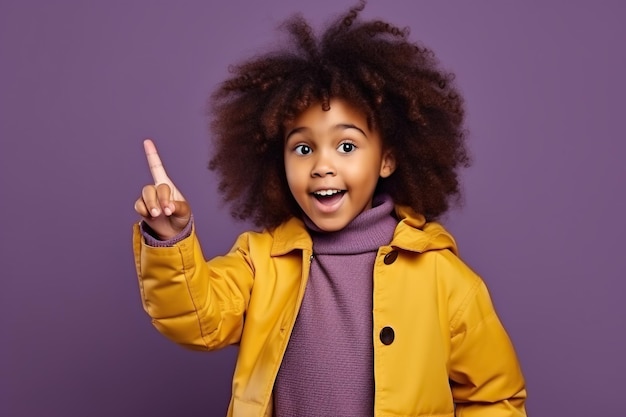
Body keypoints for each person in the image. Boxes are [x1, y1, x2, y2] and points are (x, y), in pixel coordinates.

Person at [132, 2, 527, 416]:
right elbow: (198, 320)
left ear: (387, 158)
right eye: (303, 148)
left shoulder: (443, 279)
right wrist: (169, 238)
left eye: (347, 146)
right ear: (277, 163)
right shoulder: (261, 262)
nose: (322, 166)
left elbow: (495, 397)